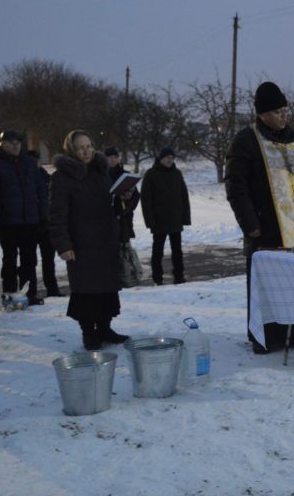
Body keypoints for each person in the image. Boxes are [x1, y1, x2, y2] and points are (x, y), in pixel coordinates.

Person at [225, 81, 294, 353]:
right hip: (265, 227)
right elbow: (236, 188)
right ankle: (267, 338)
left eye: (285, 110)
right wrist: (251, 225)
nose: (284, 116)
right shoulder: (246, 140)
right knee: (268, 287)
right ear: (262, 114)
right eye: (277, 111)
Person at [49, 130, 132, 350]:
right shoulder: (62, 177)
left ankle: (105, 329)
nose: (86, 152)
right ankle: (89, 333)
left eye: (89, 146)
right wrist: (63, 244)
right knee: (86, 291)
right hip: (81, 243)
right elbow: (57, 215)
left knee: (107, 290)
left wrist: (125, 197)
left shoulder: (101, 171)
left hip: (106, 240)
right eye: (80, 148)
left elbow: (114, 207)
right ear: (71, 150)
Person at [0, 130, 47, 306]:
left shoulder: (29, 163)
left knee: (29, 260)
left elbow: (41, 190)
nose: (15, 146)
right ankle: (10, 294)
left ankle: (30, 294)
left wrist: (43, 215)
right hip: (7, 222)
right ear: (2, 144)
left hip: (29, 220)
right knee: (9, 260)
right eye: (11, 143)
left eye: (18, 142)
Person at [141, 146, 191, 285]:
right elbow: (146, 200)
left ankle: (179, 276)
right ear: (161, 158)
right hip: (159, 220)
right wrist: (150, 220)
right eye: (167, 157)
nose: (170, 160)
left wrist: (185, 217)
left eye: (172, 157)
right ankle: (157, 278)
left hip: (175, 218)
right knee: (158, 251)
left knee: (177, 250)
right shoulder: (151, 174)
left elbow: (184, 196)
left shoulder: (177, 173)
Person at [26, 149, 62, 297]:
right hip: (31, 223)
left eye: (37, 160)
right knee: (30, 260)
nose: (36, 163)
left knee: (48, 259)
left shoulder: (45, 176)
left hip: (46, 223)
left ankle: (52, 289)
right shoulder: (26, 176)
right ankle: (31, 291)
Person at [105, 146, 137, 245]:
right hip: (106, 221)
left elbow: (136, 196)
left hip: (124, 220)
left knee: (124, 249)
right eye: (109, 157)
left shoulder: (126, 175)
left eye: (115, 157)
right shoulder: (100, 176)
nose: (112, 159)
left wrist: (129, 197)